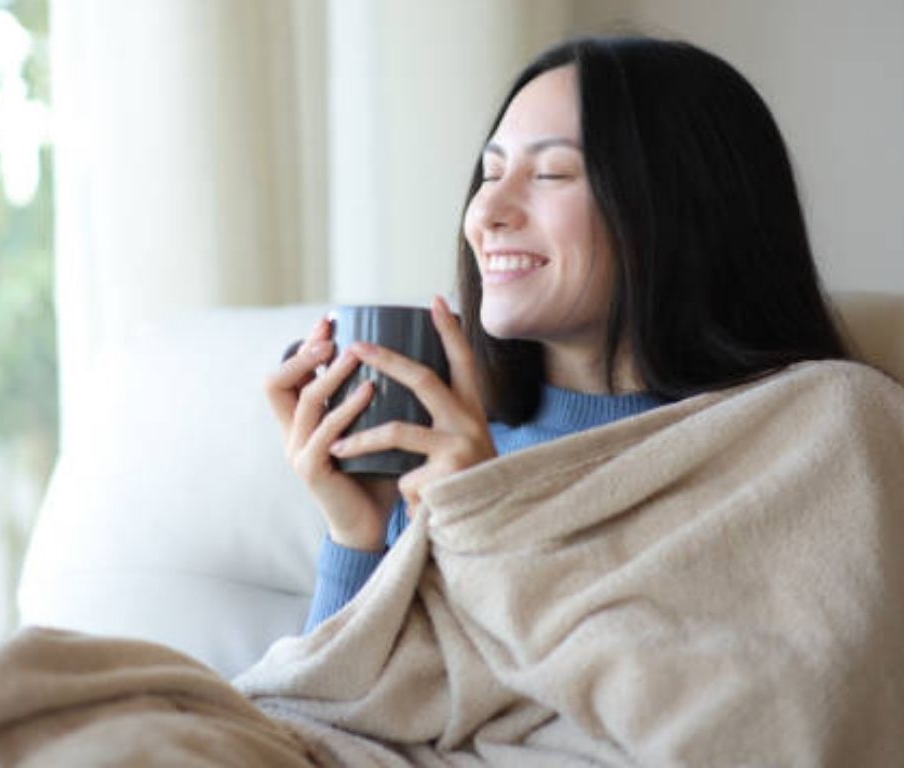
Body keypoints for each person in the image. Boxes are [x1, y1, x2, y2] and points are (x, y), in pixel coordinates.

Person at [263, 36, 850, 632]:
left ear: (681, 206)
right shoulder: (445, 455)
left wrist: (489, 524)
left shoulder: (820, 429)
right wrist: (357, 537)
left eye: (550, 173)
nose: (485, 212)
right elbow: (335, 694)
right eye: (491, 173)